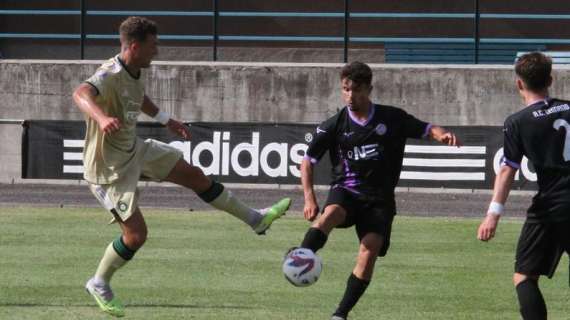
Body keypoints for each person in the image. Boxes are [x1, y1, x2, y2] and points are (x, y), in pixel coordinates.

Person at [72, 16, 291, 317]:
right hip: (107, 170)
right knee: (136, 237)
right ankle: (99, 282)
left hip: (135, 150)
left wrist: (166, 120)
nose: (157, 51)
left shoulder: (133, 70)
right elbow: (80, 94)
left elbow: (139, 98)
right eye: (153, 45)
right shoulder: (109, 73)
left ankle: (256, 220)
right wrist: (101, 118)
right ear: (134, 46)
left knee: (195, 176)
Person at [290, 61, 461, 320]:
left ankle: (340, 314)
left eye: (356, 90)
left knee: (369, 251)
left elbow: (426, 128)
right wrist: (309, 199)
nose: (350, 96)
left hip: (379, 200)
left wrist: (442, 135)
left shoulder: (391, 118)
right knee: (330, 214)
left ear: (369, 89)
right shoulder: (334, 124)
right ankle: (301, 259)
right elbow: (307, 162)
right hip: (346, 190)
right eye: (345, 89)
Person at [477, 52, 570, 320]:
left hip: (551, 206)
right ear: (550, 80)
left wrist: (492, 214)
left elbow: (508, 169)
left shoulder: (517, 122)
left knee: (524, 276)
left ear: (519, 84)